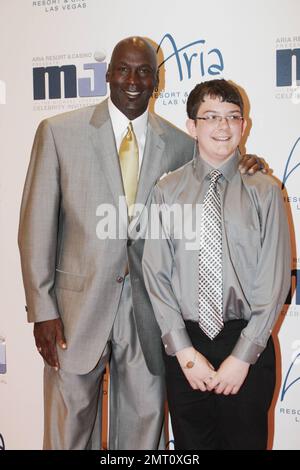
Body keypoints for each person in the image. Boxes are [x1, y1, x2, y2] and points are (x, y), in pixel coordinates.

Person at [18, 38, 265, 450]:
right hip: (75, 314)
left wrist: (246, 162)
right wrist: (42, 310)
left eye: (144, 71)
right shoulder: (59, 133)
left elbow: (217, 165)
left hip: (150, 313)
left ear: (157, 80)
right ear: (108, 74)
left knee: (142, 433)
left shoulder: (181, 144)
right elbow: (35, 226)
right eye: (123, 70)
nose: (133, 80)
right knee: (69, 432)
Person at [142, 79, 291, 450]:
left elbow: (272, 282)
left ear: (244, 125)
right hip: (185, 344)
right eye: (211, 117)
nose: (223, 127)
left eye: (232, 117)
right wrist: (185, 354)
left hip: (246, 342)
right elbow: (156, 274)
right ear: (192, 126)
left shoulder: (265, 190)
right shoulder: (167, 191)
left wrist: (242, 357)